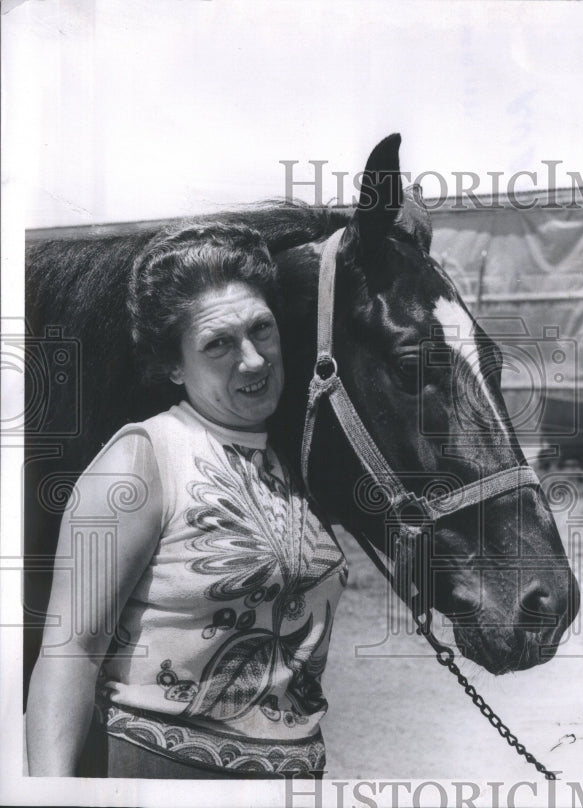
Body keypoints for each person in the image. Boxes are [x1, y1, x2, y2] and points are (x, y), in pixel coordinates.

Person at [26, 223, 348, 778]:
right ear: (174, 365)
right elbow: (70, 653)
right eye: (218, 343)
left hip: (295, 776)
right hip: (157, 775)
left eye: (261, 330)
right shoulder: (139, 460)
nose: (252, 360)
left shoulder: (294, 461)